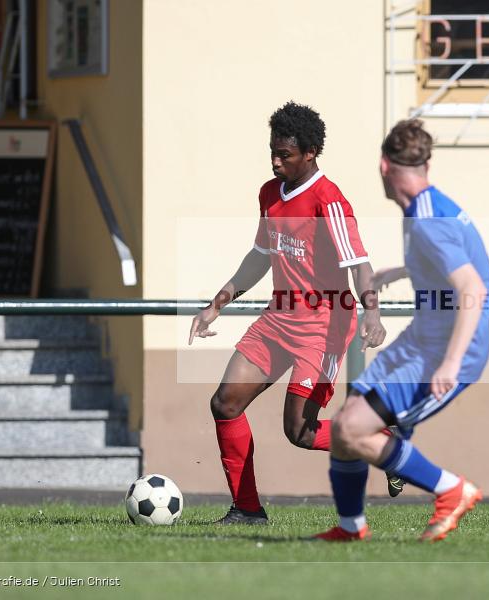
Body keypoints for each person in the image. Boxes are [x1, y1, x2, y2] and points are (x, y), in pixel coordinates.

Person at [189, 101, 386, 525]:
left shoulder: (328, 200)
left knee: (299, 432)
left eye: (286, 155)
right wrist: (216, 304)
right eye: (272, 152)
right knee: (225, 403)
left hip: (323, 328)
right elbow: (261, 256)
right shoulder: (268, 194)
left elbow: (359, 264)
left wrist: (372, 314)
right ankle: (247, 509)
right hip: (278, 320)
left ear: (311, 152)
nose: (276, 161)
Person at [314, 119, 489, 542]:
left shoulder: (428, 222)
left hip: (445, 351)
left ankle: (452, 489)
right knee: (345, 427)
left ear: (383, 166)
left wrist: (450, 363)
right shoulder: (427, 209)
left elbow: (473, 287)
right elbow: (451, 263)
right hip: (421, 340)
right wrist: (401, 270)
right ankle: (351, 528)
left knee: (351, 430)